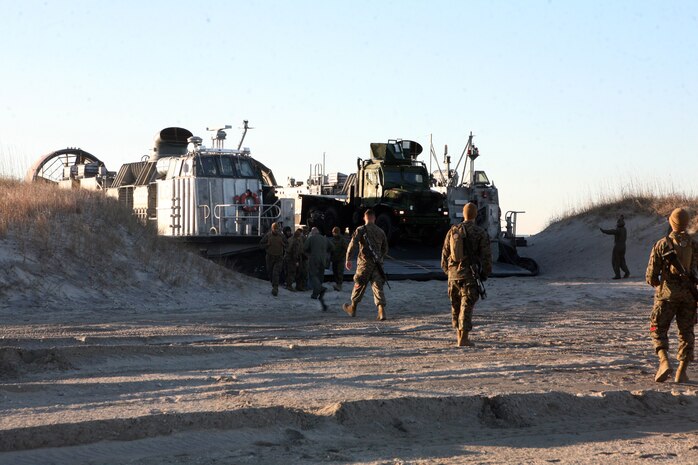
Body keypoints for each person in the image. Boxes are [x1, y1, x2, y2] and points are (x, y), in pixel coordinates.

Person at [645, 207, 698, 383]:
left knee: (658, 328)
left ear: (671, 222)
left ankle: (664, 361)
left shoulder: (662, 244)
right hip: (689, 296)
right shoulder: (694, 245)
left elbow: (651, 276)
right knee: (686, 332)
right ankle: (681, 371)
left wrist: (660, 286)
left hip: (666, 296)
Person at [441, 203, 492, 347]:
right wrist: (484, 274)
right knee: (466, 306)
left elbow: (444, 257)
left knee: (456, 306)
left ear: (463, 214)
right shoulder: (480, 232)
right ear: (475, 215)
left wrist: (450, 272)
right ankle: (464, 339)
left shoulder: (453, 231)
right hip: (470, 275)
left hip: (453, 275)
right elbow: (486, 257)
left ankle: (459, 336)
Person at [342, 209, 389, 321]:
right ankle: (381, 312)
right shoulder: (381, 231)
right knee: (378, 288)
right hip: (377, 265)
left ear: (364, 218)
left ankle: (352, 308)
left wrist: (348, 259)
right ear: (374, 218)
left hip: (364, 264)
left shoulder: (361, 230)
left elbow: (352, 245)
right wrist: (379, 257)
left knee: (359, 285)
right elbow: (385, 249)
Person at [304, 227, 333, 306]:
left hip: (314, 259)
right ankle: (315, 294)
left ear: (313, 232)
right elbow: (332, 247)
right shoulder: (325, 239)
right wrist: (326, 254)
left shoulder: (311, 238)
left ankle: (320, 289)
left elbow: (305, 248)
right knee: (320, 276)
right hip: (323, 260)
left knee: (313, 275)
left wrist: (308, 255)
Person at [259, 222, 287, 296]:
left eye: (277, 229)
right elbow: (261, 245)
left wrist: (283, 244)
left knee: (276, 273)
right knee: (270, 273)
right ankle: (273, 285)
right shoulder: (268, 235)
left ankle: (275, 288)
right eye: (275, 229)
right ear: (272, 229)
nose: (276, 230)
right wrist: (267, 245)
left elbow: (287, 245)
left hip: (279, 257)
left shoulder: (282, 236)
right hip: (270, 257)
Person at [600, 215, 630, 279]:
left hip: (617, 247)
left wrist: (604, 231)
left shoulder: (618, 230)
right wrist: (621, 217)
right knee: (622, 261)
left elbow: (611, 231)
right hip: (623, 246)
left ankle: (618, 275)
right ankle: (627, 272)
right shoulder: (624, 229)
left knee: (615, 261)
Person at [330, 226, 349, 291]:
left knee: (339, 272)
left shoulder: (342, 240)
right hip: (334, 258)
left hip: (340, 259)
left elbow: (346, 249)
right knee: (335, 272)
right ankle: (337, 284)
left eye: (334, 232)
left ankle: (339, 285)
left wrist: (342, 256)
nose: (333, 233)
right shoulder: (333, 240)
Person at [296, 226, 310, 292]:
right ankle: (301, 286)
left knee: (303, 272)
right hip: (302, 257)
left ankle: (302, 286)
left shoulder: (305, 237)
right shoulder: (302, 238)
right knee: (302, 272)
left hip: (304, 256)